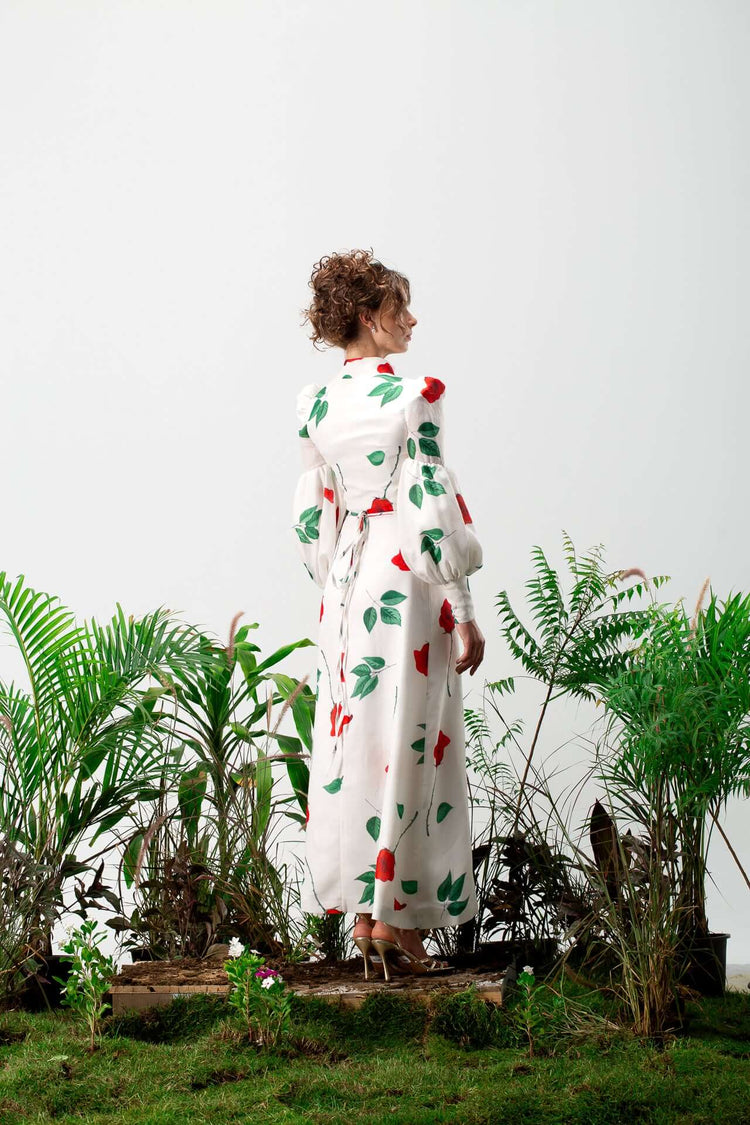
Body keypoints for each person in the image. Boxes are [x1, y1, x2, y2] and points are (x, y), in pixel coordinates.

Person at [292, 248, 485, 981]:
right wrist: (462, 607)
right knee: (410, 733)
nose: (412, 320)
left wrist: (337, 583)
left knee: (357, 735)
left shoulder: (314, 406)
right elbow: (431, 505)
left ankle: (364, 918)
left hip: (348, 582)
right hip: (405, 575)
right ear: (371, 317)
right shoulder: (414, 395)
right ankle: (400, 927)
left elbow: (315, 519)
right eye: (401, 308)